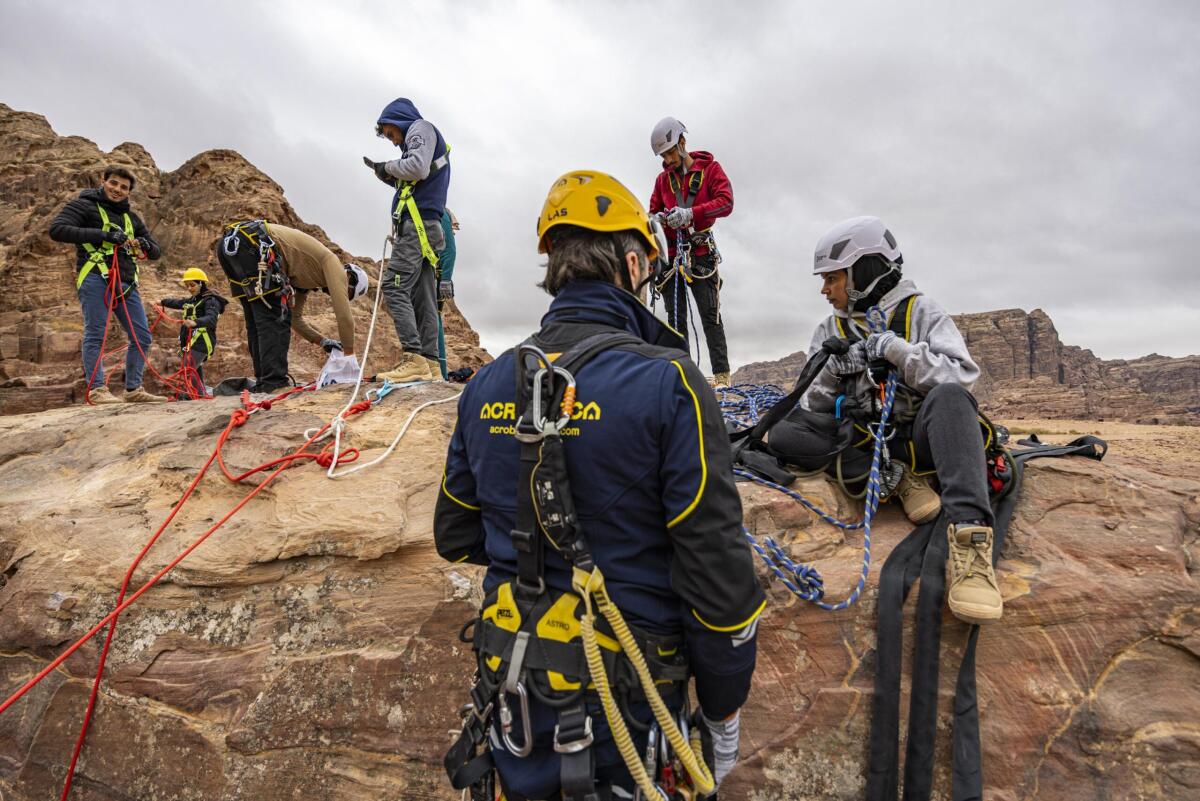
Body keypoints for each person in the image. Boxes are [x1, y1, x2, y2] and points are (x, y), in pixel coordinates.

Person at [435, 170, 763, 799]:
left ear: (553, 265)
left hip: (514, 709)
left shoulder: (485, 385)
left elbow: (455, 534)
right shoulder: (671, 383)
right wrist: (722, 714)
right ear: (635, 262)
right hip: (626, 713)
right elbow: (719, 588)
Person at [768, 216, 1002, 624]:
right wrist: (832, 370)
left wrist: (897, 351)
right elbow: (813, 407)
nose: (824, 290)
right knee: (784, 431)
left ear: (863, 270)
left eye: (832, 278)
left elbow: (962, 377)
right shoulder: (830, 327)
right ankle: (896, 479)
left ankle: (971, 541)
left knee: (950, 398)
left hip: (921, 436)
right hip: (865, 440)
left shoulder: (921, 310)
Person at [49, 165, 165, 404]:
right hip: (95, 277)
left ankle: (133, 389)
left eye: (124, 187)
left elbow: (155, 252)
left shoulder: (131, 218)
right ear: (103, 182)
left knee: (142, 336)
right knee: (96, 334)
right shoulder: (83, 205)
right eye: (113, 183)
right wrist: (104, 235)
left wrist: (144, 244)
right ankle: (97, 390)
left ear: (129, 192)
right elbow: (58, 230)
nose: (117, 190)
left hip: (127, 283)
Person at [216, 221, 367, 392]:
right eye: (348, 294)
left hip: (233, 247)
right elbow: (344, 317)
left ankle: (264, 382)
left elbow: (295, 319)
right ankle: (273, 384)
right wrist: (349, 355)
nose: (337, 294)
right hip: (253, 246)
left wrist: (322, 341)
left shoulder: (305, 278)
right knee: (276, 317)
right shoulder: (334, 265)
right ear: (351, 280)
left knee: (257, 320)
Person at [363, 97, 450, 384]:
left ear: (399, 120)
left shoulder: (420, 128)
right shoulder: (419, 135)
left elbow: (417, 168)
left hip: (417, 227)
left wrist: (387, 167)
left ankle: (413, 358)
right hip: (426, 227)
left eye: (390, 133)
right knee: (422, 296)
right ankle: (430, 363)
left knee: (393, 286)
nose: (391, 140)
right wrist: (386, 174)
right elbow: (419, 173)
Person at [647, 116, 734, 387]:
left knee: (710, 314)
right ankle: (682, 376)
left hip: (699, 252)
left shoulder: (710, 170)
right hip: (672, 256)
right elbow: (651, 212)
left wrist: (691, 214)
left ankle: (721, 376)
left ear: (682, 143)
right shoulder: (663, 181)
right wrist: (660, 218)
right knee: (676, 320)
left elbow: (726, 202)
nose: (668, 160)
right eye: (663, 155)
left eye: (670, 153)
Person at [159, 267, 228, 394]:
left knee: (188, 369)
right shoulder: (193, 300)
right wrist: (162, 302)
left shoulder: (211, 300)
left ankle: (193, 395)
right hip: (190, 342)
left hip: (202, 341)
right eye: (187, 286)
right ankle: (200, 395)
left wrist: (196, 322)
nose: (190, 288)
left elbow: (211, 318)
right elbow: (178, 303)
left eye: (192, 285)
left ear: (201, 283)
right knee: (193, 371)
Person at [433, 208, 460, 379]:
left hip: (434, 275)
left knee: (433, 319)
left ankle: (439, 372)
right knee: (431, 319)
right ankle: (438, 371)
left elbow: (449, 249)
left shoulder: (438, 211)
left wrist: (445, 279)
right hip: (430, 273)